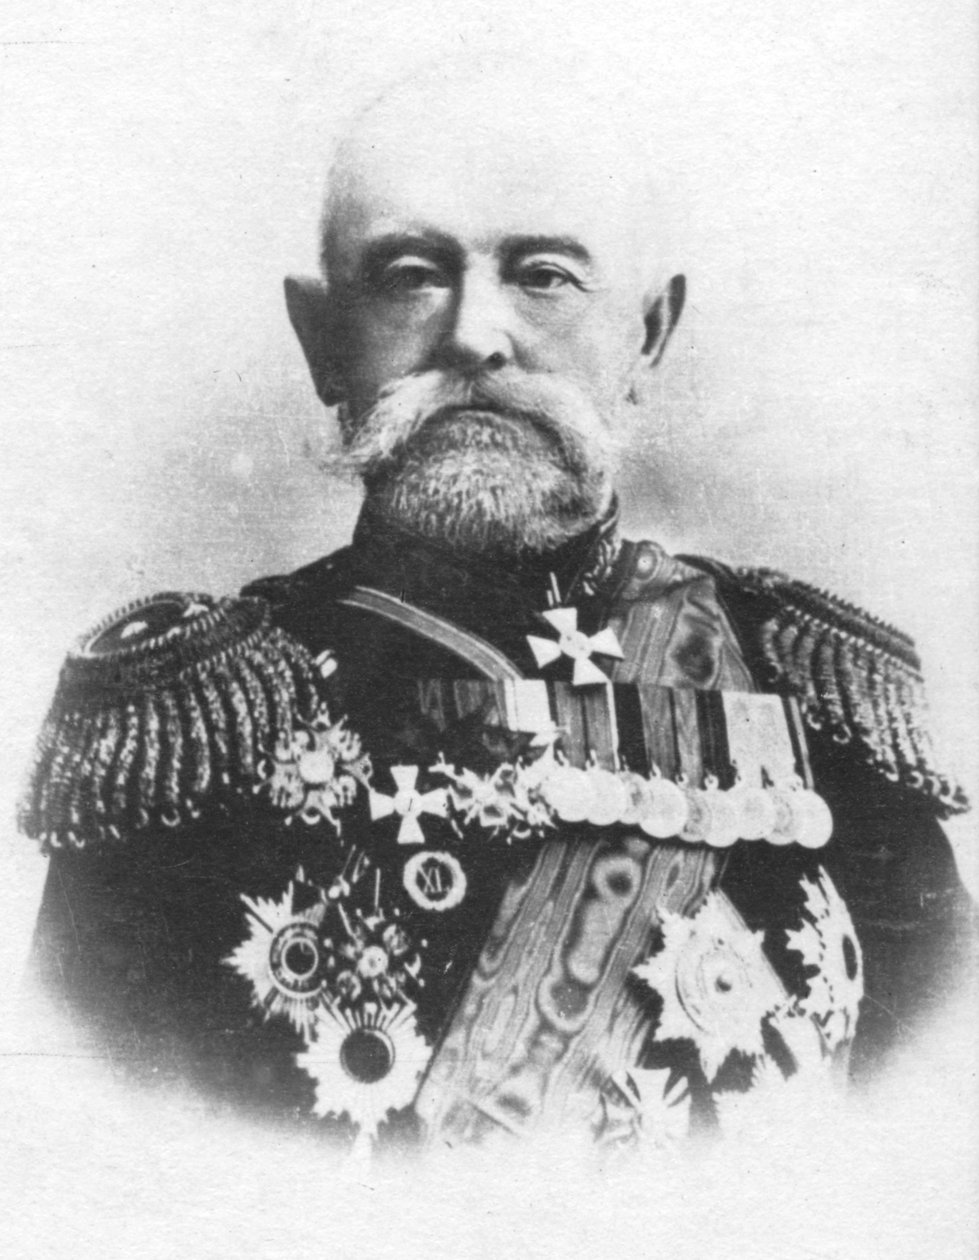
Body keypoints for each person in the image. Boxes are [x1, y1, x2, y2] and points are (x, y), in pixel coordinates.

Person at [20, 59, 972, 1156]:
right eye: (410, 275)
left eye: (545, 276)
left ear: (649, 336)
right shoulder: (194, 734)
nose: (475, 334)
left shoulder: (816, 711)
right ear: (322, 339)